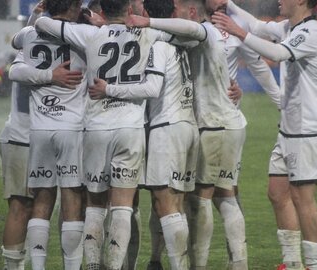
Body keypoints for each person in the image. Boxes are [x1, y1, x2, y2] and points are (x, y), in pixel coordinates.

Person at [35, 1, 197, 268]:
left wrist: (94, 21)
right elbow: (193, 32)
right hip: (130, 128)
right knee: (123, 205)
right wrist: (146, 23)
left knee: (96, 205)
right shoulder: (147, 33)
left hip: (97, 127)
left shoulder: (89, 34)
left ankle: (92, 266)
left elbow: (43, 24)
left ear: (104, 9)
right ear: (128, 9)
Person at [126, 0, 248, 268]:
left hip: (208, 126)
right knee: (221, 196)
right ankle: (238, 263)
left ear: (193, 13)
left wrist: (147, 22)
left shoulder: (202, 31)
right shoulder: (183, 40)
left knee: (192, 199)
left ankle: (196, 265)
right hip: (222, 122)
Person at [213, 0, 317, 269]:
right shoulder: (290, 26)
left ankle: (315, 264)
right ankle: (292, 262)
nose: (278, 1)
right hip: (288, 129)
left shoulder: (312, 33)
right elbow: (256, 26)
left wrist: (239, 34)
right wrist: (229, 4)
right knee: (277, 193)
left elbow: (277, 53)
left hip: (307, 131)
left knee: (303, 198)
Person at [12, 0, 88, 269]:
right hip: (71, 127)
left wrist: (36, 15)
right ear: (71, 7)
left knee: (41, 201)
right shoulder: (81, 34)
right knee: (72, 200)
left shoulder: (30, 34)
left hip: (40, 128)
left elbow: (14, 45)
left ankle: (39, 266)